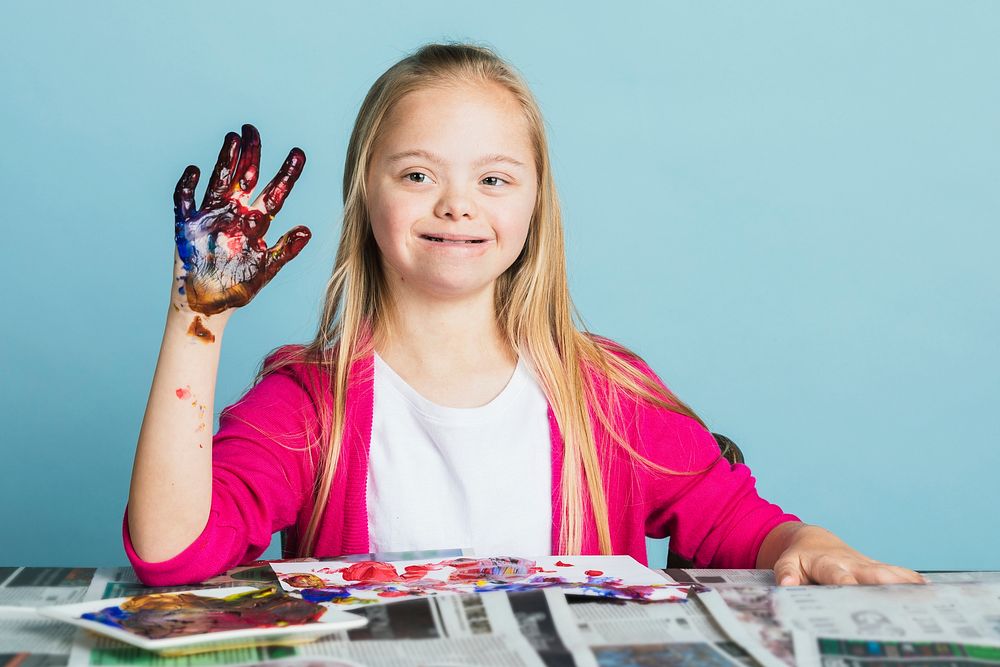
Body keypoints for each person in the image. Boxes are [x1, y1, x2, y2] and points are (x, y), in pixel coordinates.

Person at [125, 42, 925, 588]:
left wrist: (807, 544)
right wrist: (198, 319)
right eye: (415, 173)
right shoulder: (308, 403)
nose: (456, 204)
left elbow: (743, 528)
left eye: (495, 179)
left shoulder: (608, 395)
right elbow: (171, 552)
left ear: (537, 203)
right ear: (363, 194)